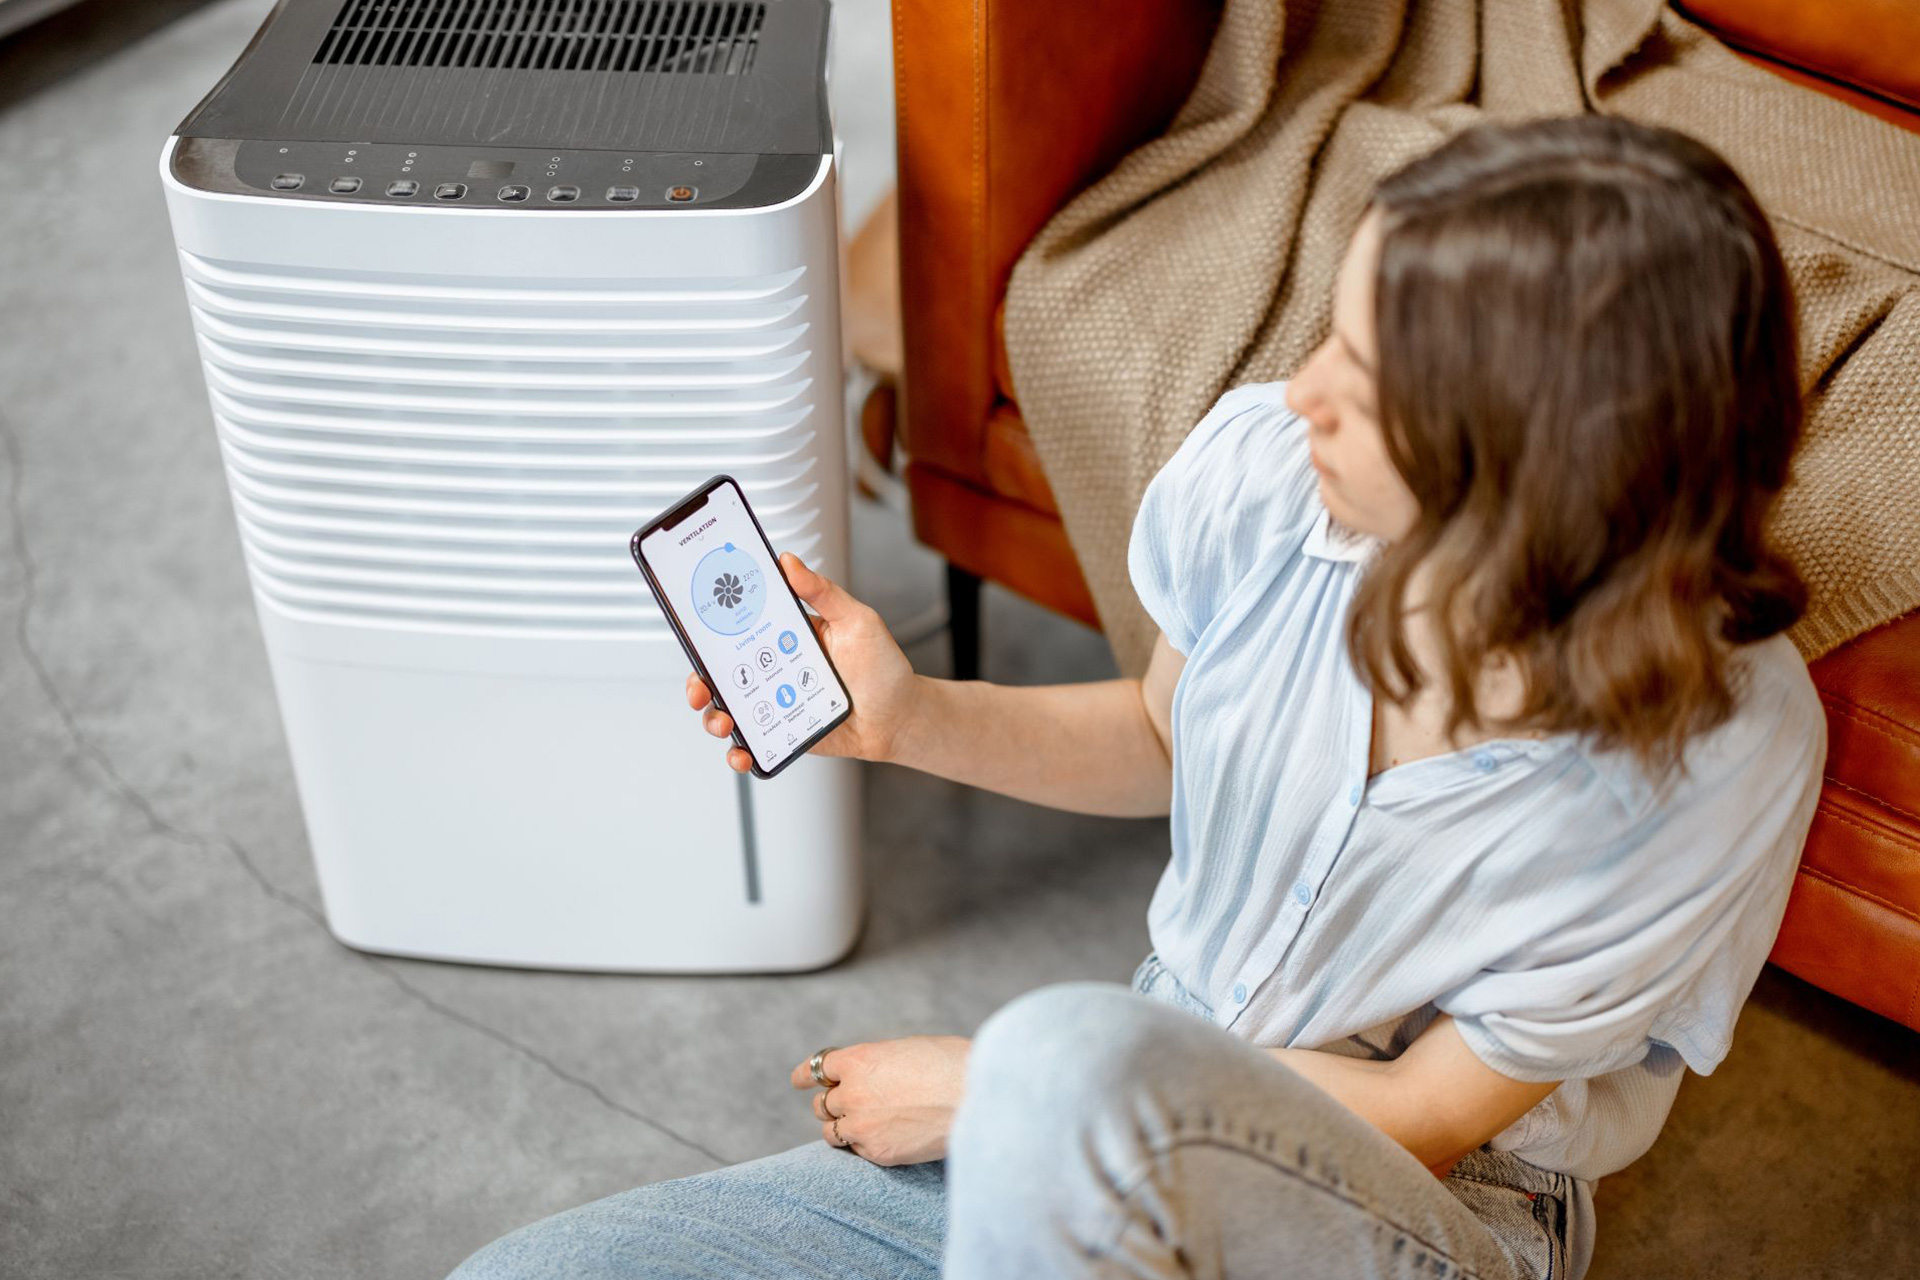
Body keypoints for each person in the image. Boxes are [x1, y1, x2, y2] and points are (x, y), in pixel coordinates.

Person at [451, 115, 1825, 1280]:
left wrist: (992, 1089)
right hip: (1116, 1090)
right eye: (1327, 339)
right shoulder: (1275, 485)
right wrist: (906, 713)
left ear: (1531, 474)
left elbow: (1424, 1114)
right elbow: (1165, 732)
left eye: (1371, 385)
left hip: (1429, 1206)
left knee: (1060, 1061)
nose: (1302, 396)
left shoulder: (1715, 753)